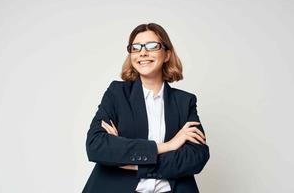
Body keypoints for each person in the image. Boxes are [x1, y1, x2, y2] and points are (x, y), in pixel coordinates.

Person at [82, 23, 210, 193]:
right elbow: (96, 146)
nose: (143, 52)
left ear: (166, 54)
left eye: (151, 46)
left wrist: (127, 158)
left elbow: (196, 157)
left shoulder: (185, 102)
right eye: (136, 48)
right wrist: (168, 146)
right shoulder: (117, 94)